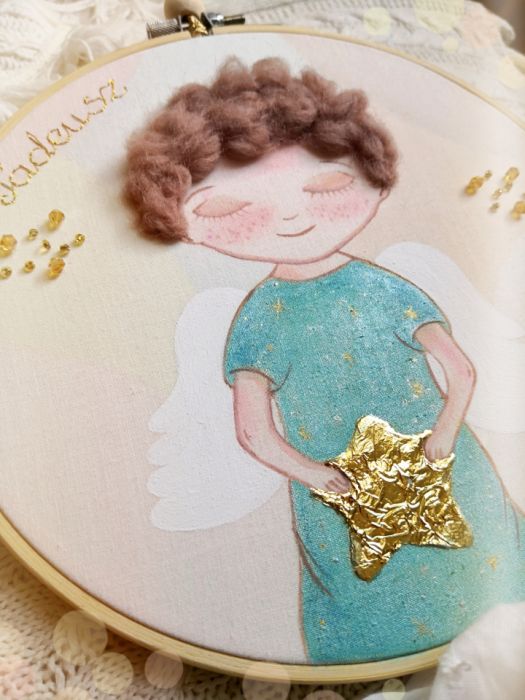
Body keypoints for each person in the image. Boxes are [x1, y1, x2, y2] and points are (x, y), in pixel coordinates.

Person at [125, 58, 525, 664]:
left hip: (431, 476)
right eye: (226, 209)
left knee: (484, 566)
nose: (291, 216)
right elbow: (253, 432)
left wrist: (429, 442)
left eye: (327, 187)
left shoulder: (367, 294)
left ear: (378, 183)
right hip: (357, 493)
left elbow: (462, 371)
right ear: (184, 228)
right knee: (371, 604)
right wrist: (327, 475)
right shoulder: (263, 320)